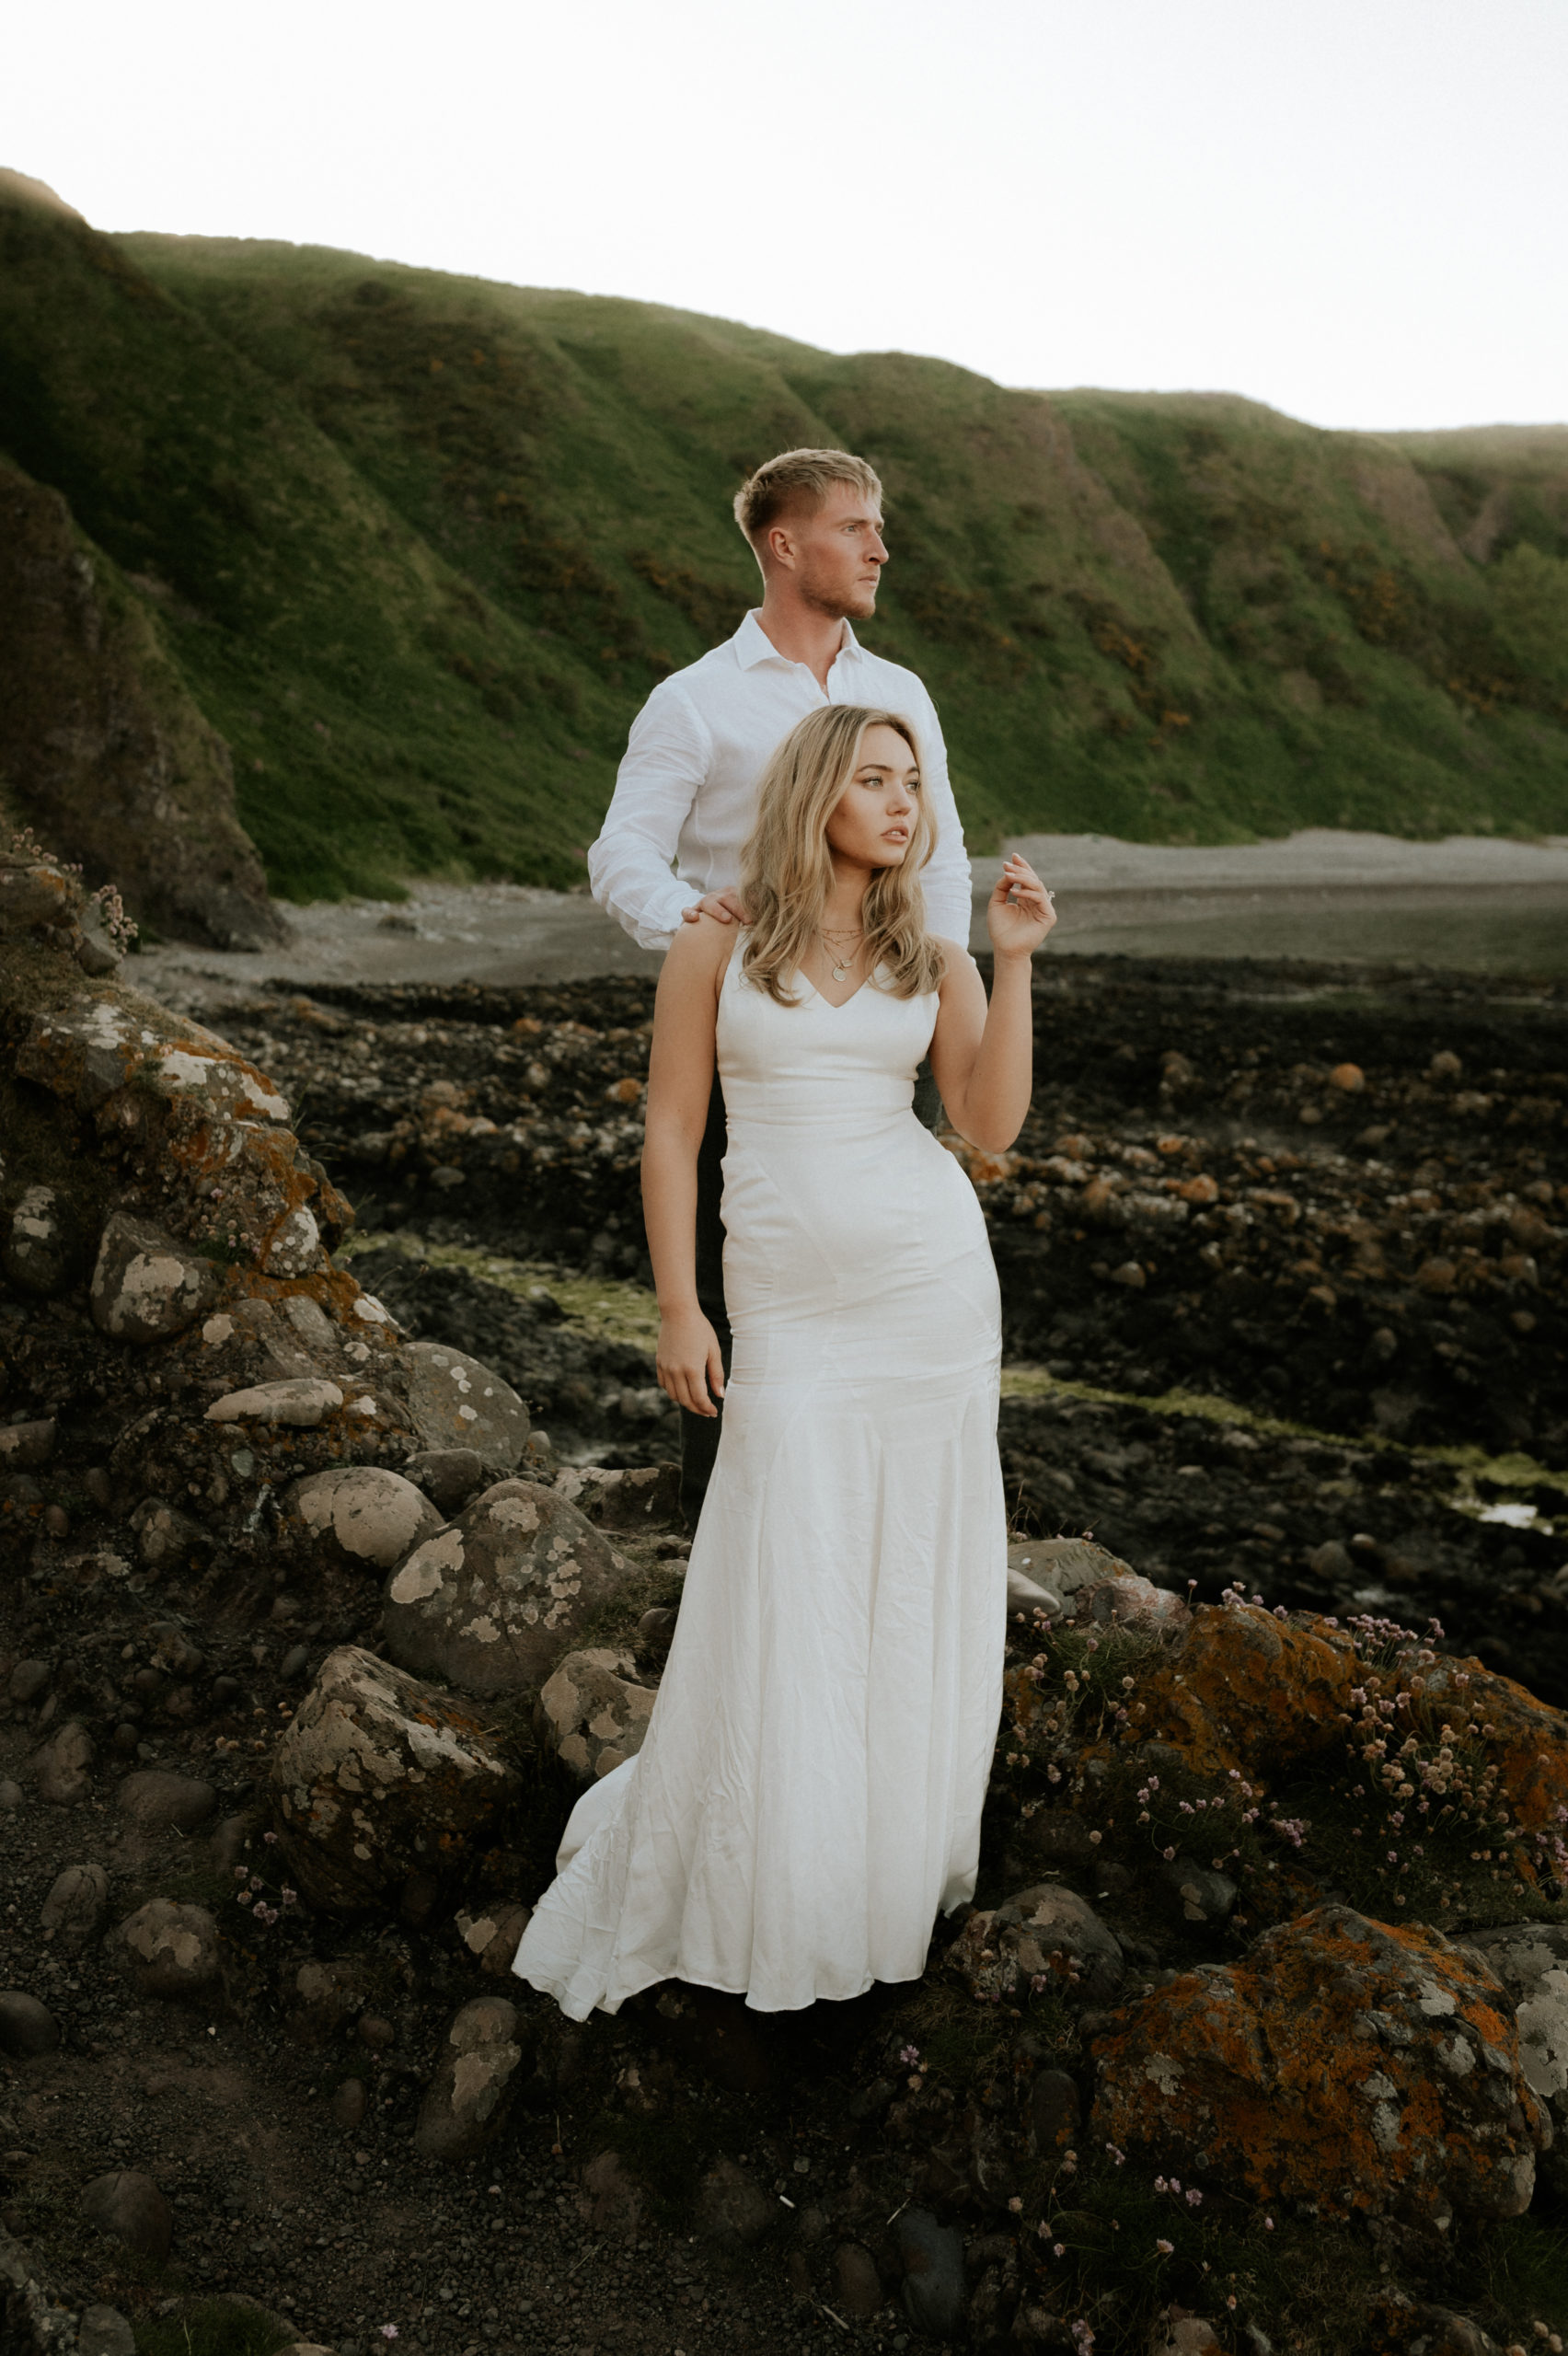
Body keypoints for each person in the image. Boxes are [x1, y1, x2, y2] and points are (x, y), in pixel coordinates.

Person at [511, 702, 1055, 2019]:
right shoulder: (717, 939)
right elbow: (671, 1131)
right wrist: (680, 1310)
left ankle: (869, 1868)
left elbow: (986, 1130)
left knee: (903, 1570)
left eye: (913, 783)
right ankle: (766, 1866)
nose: (902, 803)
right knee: (784, 1556)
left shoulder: (934, 954)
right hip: (789, 1309)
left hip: (926, 1298)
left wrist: (1016, 957)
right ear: (815, 792)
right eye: (874, 779)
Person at [587, 447, 973, 1527]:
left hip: (882, 1029)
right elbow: (622, 853)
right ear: (785, 543)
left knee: (888, 1279)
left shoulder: (899, 694)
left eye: (879, 526)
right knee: (736, 1293)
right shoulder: (695, 700)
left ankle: (875, 1527)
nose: (881, 547)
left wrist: (946, 994)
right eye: (857, 526)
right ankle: (733, 1543)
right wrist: (701, 930)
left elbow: (938, 861)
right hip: (743, 1040)